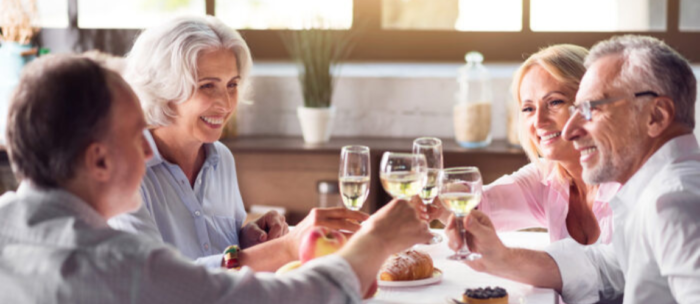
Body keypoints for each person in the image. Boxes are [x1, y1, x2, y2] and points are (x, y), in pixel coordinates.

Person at [0, 54, 432, 303]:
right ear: (98, 161)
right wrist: (376, 240)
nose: (148, 151)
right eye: (137, 138)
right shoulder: (119, 266)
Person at [446, 35, 700, 303]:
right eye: (577, 108)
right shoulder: (651, 192)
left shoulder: (673, 202)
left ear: (656, 115)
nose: (571, 129)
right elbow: (608, 269)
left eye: (592, 108)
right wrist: (500, 258)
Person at [108, 15, 366, 270]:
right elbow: (156, 280)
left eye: (232, 85)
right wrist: (284, 248)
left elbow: (222, 252)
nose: (226, 103)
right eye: (208, 86)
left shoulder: (221, 158)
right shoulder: (124, 173)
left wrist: (250, 239)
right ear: (163, 90)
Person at [418, 44, 618, 245]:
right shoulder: (547, 177)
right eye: (528, 108)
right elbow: (483, 204)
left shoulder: (628, 180)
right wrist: (434, 199)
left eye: (555, 102)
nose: (539, 121)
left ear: (591, 104)